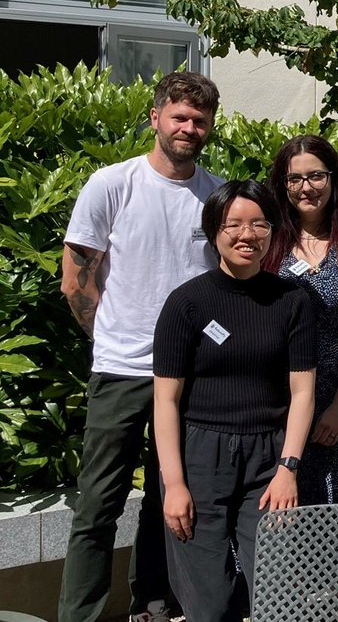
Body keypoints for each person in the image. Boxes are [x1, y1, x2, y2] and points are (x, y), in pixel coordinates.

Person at [59, 71, 223, 622]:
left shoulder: (216, 195)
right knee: (98, 505)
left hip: (191, 376)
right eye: (179, 116)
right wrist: (110, 339)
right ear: (155, 118)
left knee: (168, 501)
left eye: (199, 120)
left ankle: (151, 604)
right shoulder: (112, 183)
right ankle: (80, 614)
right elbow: (76, 279)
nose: (188, 128)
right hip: (122, 371)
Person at [152, 180, 317, 622]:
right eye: (234, 225)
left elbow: (303, 391)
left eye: (259, 224)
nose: (248, 235)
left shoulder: (292, 300)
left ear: (273, 230)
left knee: (277, 588)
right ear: (214, 232)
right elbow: (165, 401)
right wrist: (175, 485)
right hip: (199, 456)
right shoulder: (186, 304)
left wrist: (289, 468)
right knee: (209, 602)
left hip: (269, 456)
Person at [264, 135, 338, 504]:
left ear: (333, 179)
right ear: (282, 185)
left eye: (316, 176)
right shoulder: (266, 241)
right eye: (294, 179)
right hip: (276, 398)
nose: (306, 188)